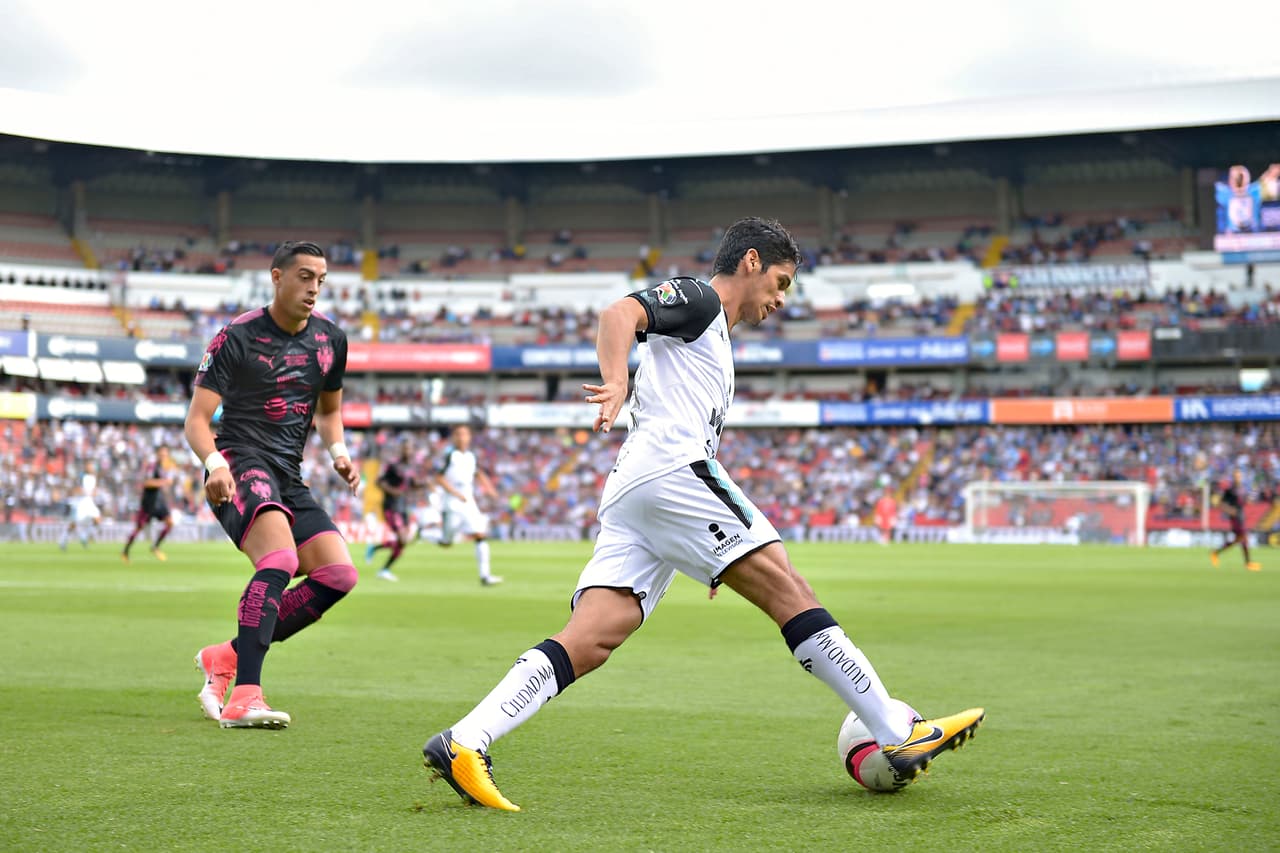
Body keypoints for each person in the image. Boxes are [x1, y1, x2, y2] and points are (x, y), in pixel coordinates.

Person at [421, 218, 984, 812]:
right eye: (781, 281)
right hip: (670, 473)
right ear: (750, 262)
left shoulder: (715, 337)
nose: (781, 299)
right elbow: (619, 314)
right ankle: (897, 732)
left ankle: (465, 740)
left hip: (639, 493)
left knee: (591, 638)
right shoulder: (700, 300)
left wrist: (706, 550)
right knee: (787, 584)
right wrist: (616, 383)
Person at [184, 241, 361, 729]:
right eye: (304, 276)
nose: (314, 288)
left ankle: (226, 656)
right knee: (280, 559)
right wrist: (215, 463)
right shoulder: (235, 336)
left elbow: (329, 411)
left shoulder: (330, 340)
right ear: (277, 277)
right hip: (240, 461)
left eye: (321, 279)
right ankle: (245, 695)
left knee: (338, 575)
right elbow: (197, 420)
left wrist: (340, 454)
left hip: (287, 474)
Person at [432, 424, 502, 586]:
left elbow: (478, 473)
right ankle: (424, 534)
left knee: (480, 534)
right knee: (446, 543)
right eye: (458, 434)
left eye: (464, 434)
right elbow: (439, 478)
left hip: (468, 500)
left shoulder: (471, 456)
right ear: (454, 437)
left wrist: (490, 489)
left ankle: (485, 576)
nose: (462, 437)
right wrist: (456, 493)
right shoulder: (450, 455)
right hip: (452, 502)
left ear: (469, 437)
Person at [366, 441, 418, 582]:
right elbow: (378, 482)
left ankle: (382, 563)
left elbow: (412, 484)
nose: (408, 451)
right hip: (391, 506)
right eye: (405, 448)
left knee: (405, 542)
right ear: (401, 450)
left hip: (403, 507)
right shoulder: (393, 465)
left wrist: (426, 484)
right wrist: (392, 491)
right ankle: (382, 567)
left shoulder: (410, 467)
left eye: (410, 448)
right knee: (402, 539)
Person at [122, 446, 175, 562]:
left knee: (170, 522)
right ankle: (125, 551)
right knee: (139, 528)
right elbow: (146, 482)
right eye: (162, 454)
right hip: (149, 502)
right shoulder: (152, 466)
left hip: (159, 502)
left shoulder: (162, 468)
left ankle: (155, 546)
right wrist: (163, 482)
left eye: (165, 455)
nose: (164, 456)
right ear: (157, 454)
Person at [1210, 470, 1260, 571]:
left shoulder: (1242, 489)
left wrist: (1254, 490)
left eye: (1239, 475)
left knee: (1238, 540)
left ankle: (1216, 553)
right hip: (1235, 518)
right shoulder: (1230, 490)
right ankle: (1248, 563)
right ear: (1233, 477)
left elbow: (1248, 501)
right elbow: (1221, 504)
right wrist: (1230, 510)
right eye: (1236, 476)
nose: (1238, 477)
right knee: (1244, 538)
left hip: (1241, 517)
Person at [59, 462, 101, 550]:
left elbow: (94, 491)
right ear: (86, 467)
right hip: (81, 502)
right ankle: (63, 540)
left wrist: (94, 493)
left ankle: (84, 537)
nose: (92, 468)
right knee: (74, 523)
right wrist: (85, 492)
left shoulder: (94, 478)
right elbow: (76, 489)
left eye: (92, 466)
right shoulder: (82, 477)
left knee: (97, 519)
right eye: (90, 466)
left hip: (89, 502)